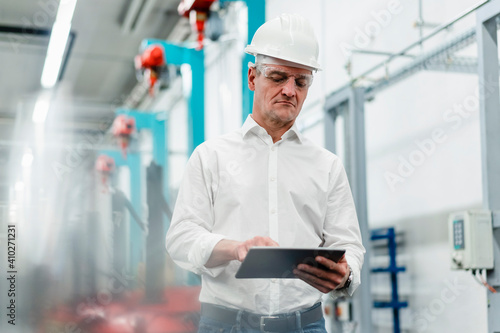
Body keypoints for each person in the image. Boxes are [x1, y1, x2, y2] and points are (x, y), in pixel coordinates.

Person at [166, 13, 365, 333]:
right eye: (278, 77)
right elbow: (181, 239)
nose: (290, 90)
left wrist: (346, 273)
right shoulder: (211, 157)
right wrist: (235, 248)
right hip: (227, 325)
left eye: (301, 82)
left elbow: (350, 246)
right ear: (252, 77)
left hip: (306, 324)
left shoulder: (327, 166)